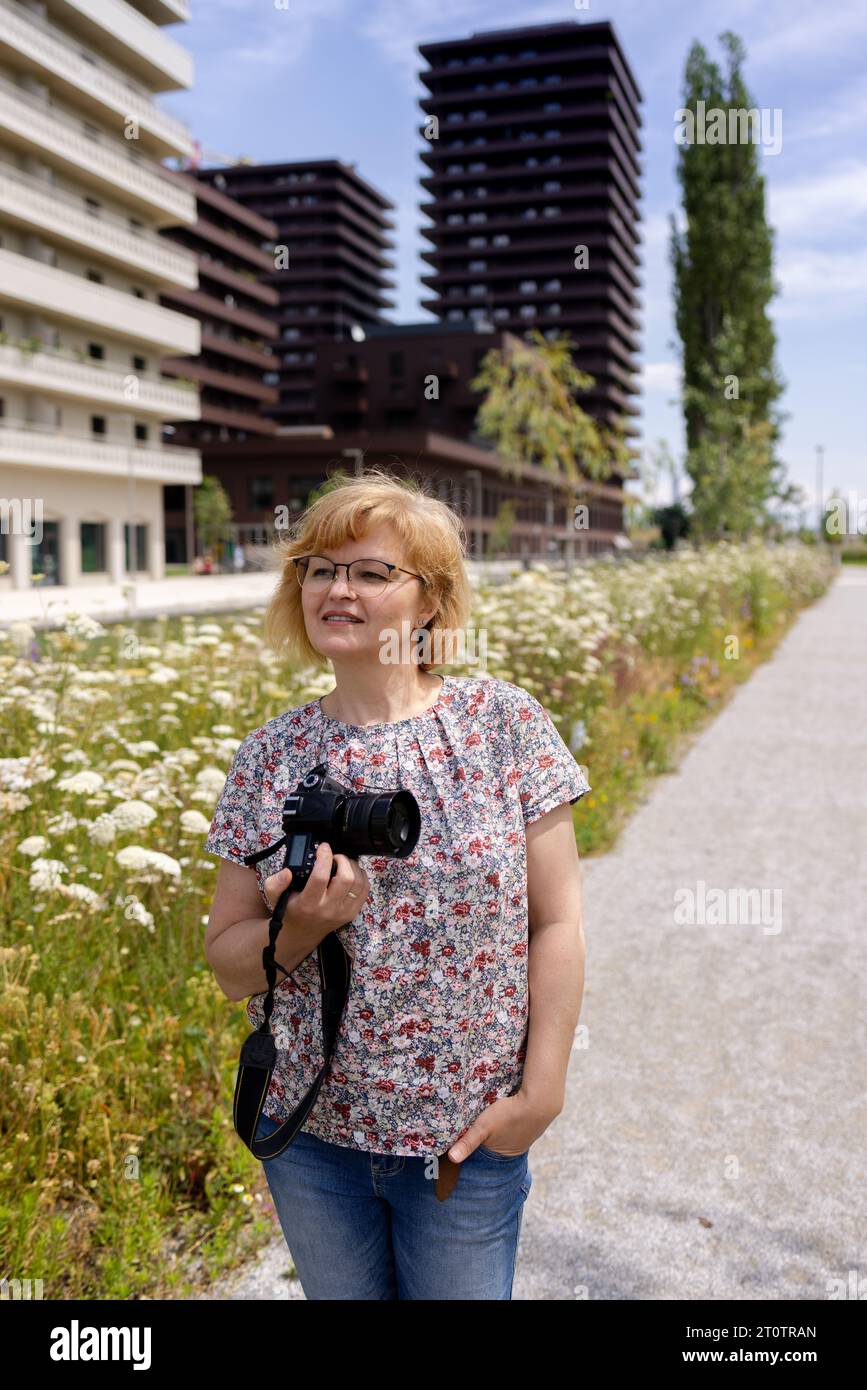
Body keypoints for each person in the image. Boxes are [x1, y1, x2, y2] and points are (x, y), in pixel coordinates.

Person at [203, 467, 591, 1300]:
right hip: (312, 1137)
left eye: (372, 572)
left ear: (429, 601)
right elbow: (231, 965)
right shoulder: (268, 758)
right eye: (319, 568)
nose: (337, 589)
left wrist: (541, 1092)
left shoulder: (503, 724)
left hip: (467, 1132)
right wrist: (302, 927)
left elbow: (555, 922)